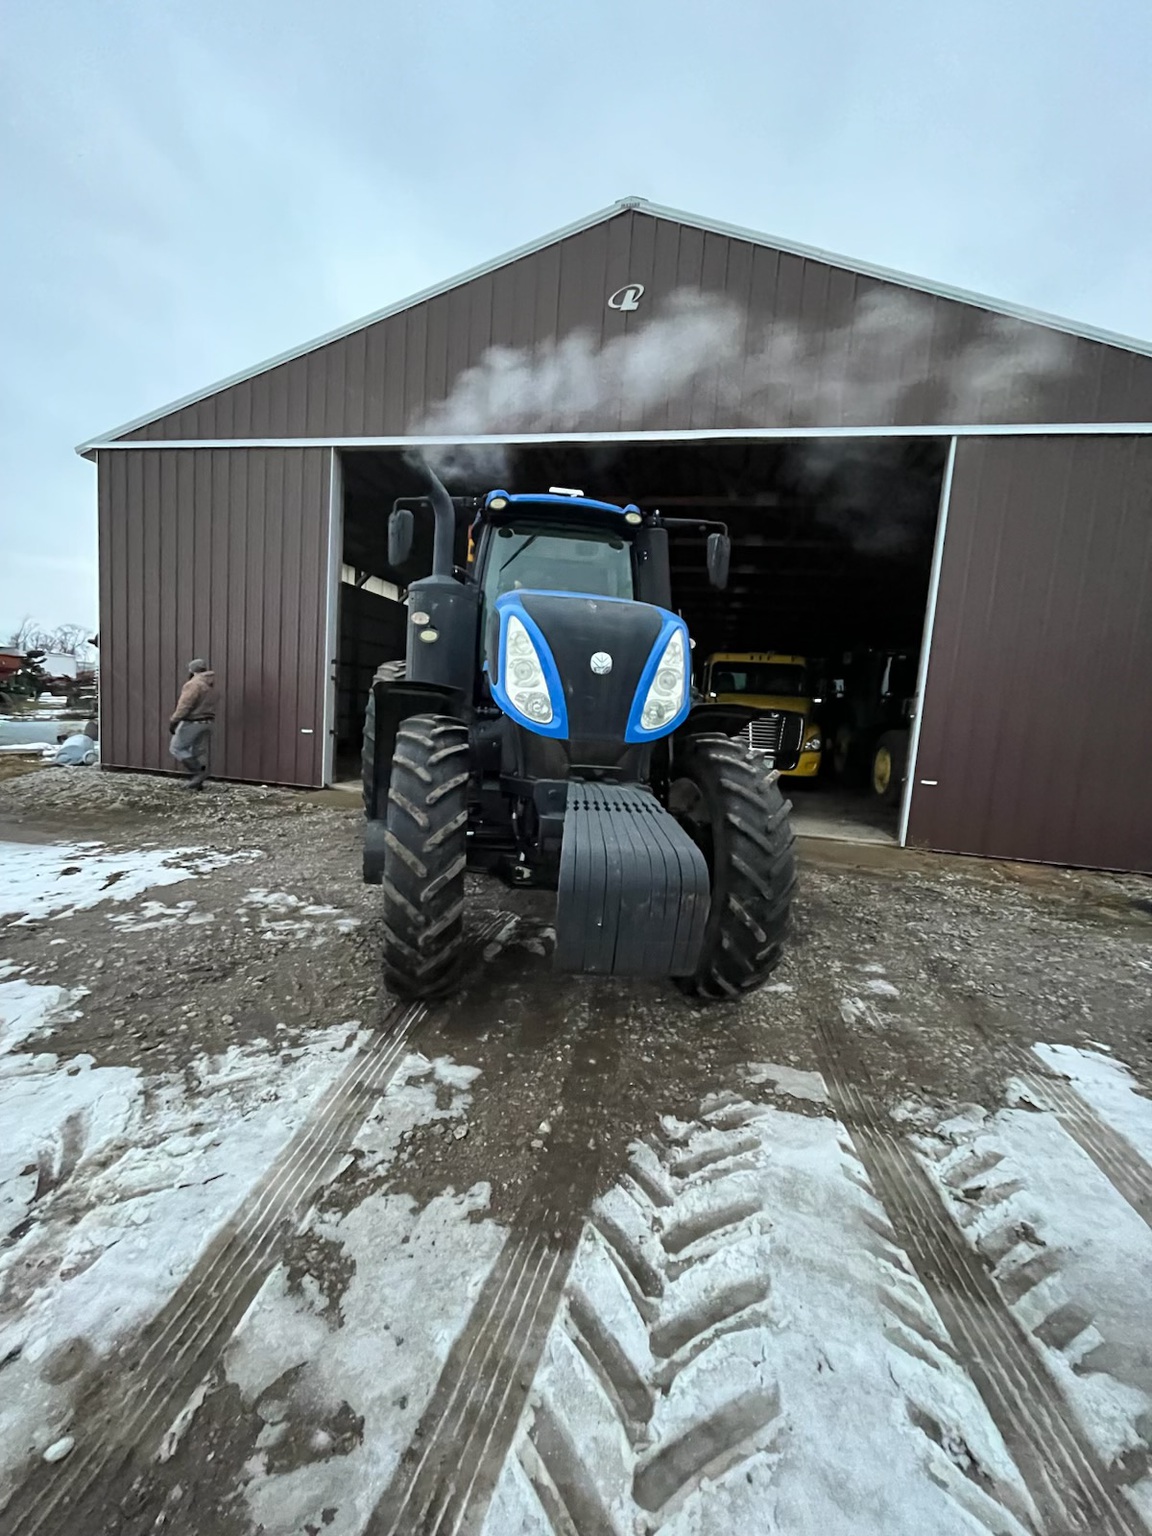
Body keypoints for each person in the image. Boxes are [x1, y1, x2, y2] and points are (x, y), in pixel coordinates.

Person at [169, 658, 216, 790]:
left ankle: (198, 774)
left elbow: (184, 706)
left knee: (177, 748)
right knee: (196, 752)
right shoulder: (210, 685)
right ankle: (198, 784)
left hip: (193, 722)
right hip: (208, 722)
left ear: (192, 670)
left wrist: (174, 721)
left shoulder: (193, 684)